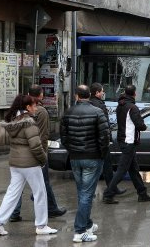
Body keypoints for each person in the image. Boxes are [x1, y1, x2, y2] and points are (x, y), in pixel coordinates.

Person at [0, 95, 57, 236]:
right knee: (40, 192)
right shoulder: (29, 123)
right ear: (27, 107)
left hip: (15, 163)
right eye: (34, 105)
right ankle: (41, 226)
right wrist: (43, 160)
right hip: (30, 163)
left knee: (12, 193)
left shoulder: (14, 121)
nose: (36, 108)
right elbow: (36, 145)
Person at [9, 85, 66, 223]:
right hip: (36, 151)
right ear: (41, 96)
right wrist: (42, 154)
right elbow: (43, 135)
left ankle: (14, 213)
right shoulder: (41, 112)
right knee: (43, 183)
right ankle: (49, 211)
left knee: (17, 185)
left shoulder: (19, 112)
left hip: (18, 153)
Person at [61, 85, 110, 242]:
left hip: (75, 157)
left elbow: (64, 137)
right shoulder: (97, 112)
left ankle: (87, 224)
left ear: (76, 96)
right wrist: (101, 155)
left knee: (83, 192)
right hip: (93, 157)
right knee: (87, 193)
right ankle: (80, 230)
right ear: (89, 95)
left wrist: (72, 150)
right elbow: (105, 137)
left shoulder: (68, 113)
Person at [103, 85, 150, 204]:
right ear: (134, 94)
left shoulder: (121, 105)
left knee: (133, 169)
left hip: (123, 140)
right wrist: (144, 126)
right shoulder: (132, 107)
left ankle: (142, 193)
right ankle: (108, 194)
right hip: (129, 141)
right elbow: (140, 125)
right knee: (122, 170)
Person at [89, 83, 126, 196]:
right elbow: (105, 125)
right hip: (101, 141)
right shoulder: (100, 106)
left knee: (93, 167)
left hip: (91, 140)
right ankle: (111, 189)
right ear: (97, 93)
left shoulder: (88, 104)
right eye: (102, 91)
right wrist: (108, 139)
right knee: (107, 166)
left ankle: (90, 190)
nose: (103, 93)